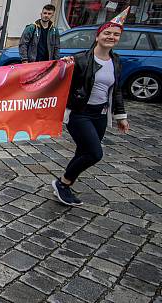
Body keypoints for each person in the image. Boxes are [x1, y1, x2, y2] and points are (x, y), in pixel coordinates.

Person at [52, 14, 129, 206]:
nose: (111, 37)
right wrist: (64, 65)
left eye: (116, 35)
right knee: (95, 153)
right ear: (97, 36)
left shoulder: (116, 61)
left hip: (100, 115)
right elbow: (57, 79)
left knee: (83, 151)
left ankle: (65, 186)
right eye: (107, 33)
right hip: (80, 113)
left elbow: (117, 89)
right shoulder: (80, 59)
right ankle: (63, 183)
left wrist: (121, 116)